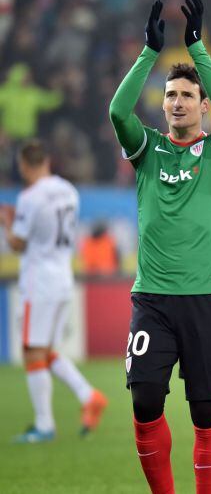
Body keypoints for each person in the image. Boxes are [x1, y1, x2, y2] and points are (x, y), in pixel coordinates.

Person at [108, 0, 211, 493]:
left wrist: (196, 48)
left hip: (206, 297)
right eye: (171, 95)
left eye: (188, 95)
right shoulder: (147, 149)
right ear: (163, 104)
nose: (179, 102)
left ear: (201, 105)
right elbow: (117, 109)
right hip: (154, 299)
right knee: (145, 399)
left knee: (207, 411)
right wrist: (149, 53)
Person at [3, 141, 107, 443]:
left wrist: (8, 223)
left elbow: (18, 244)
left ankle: (44, 425)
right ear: (47, 160)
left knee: (31, 352)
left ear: (24, 165)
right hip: (63, 277)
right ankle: (89, 396)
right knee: (46, 351)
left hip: (39, 281)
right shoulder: (68, 191)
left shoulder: (30, 198)